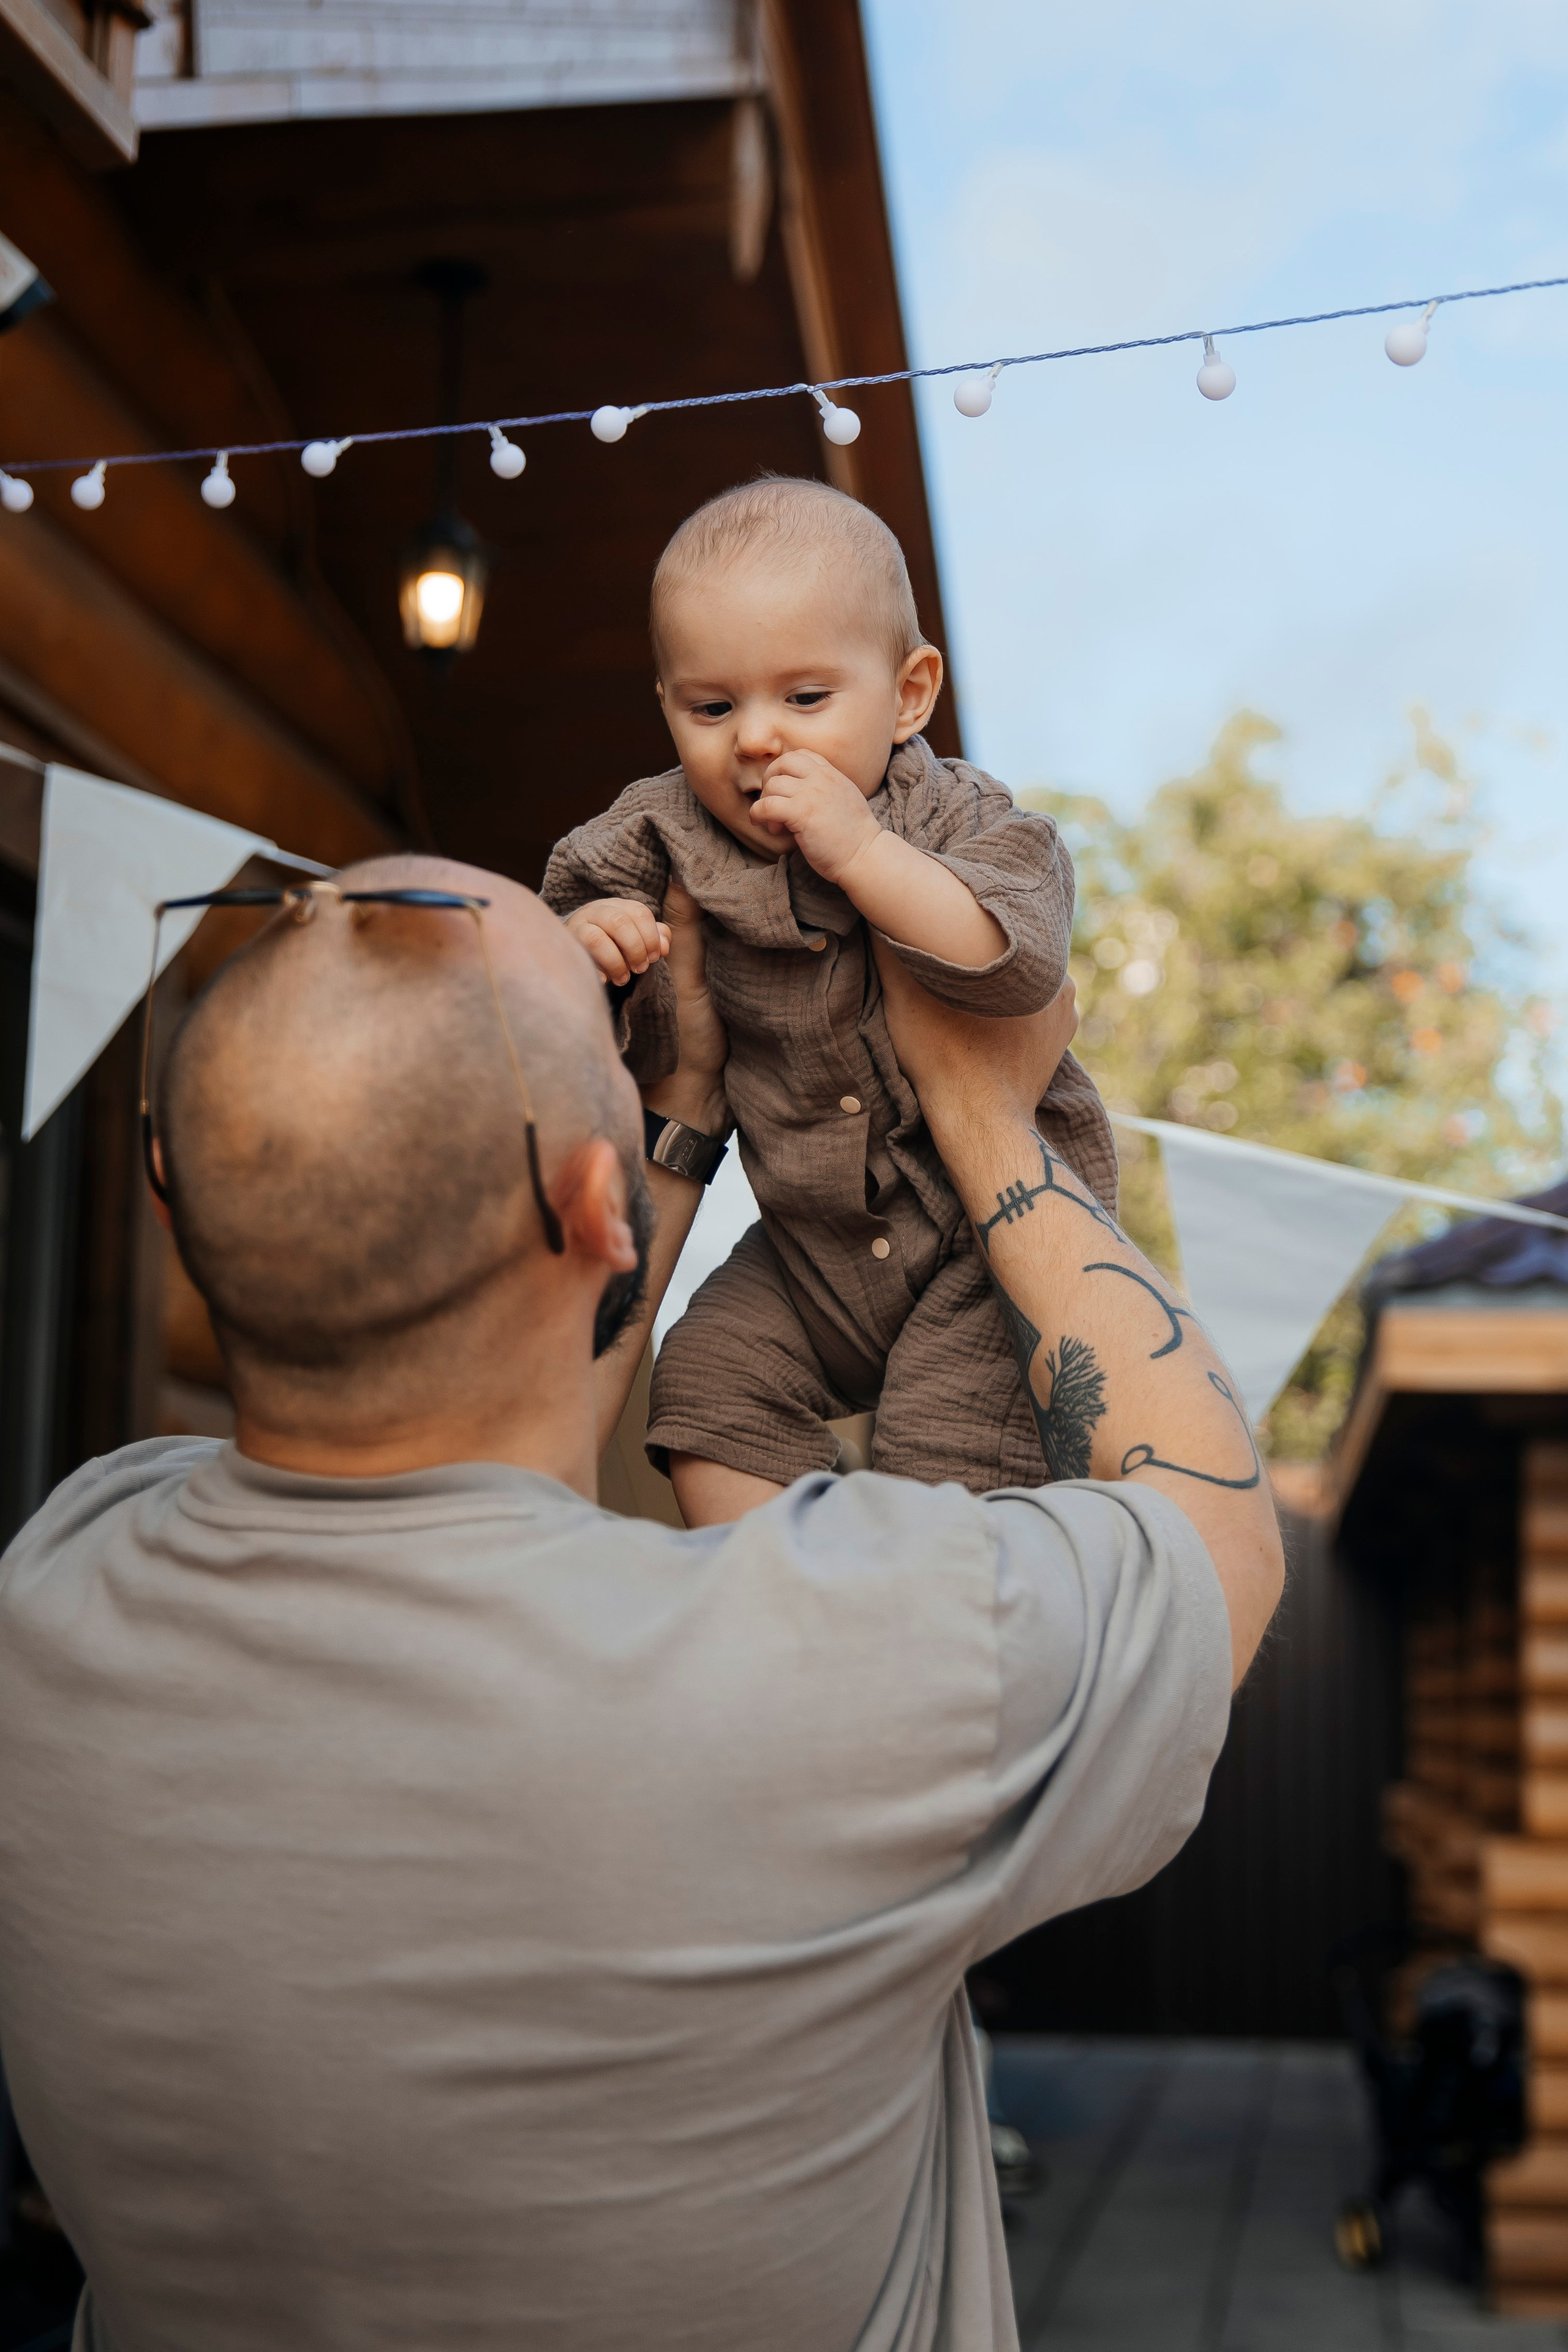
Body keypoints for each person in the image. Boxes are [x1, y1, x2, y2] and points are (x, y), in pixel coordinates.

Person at [0, 854, 1283, 2352]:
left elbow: (507, 1417)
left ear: (166, 1186)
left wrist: (655, 1133)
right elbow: (1215, 1541)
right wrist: (989, 1118)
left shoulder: (60, 1583)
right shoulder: (840, 1662)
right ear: (588, 1206)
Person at [541, 476, 1116, 1526]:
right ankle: (768, 1589)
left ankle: (914, 1625)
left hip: (982, 1236)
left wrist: (864, 851)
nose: (756, 739)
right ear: (667, 704)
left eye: (805, 699)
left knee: (937, 1446)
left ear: (908, 694)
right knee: (705, 1384)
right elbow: (566, 928)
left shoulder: (952, 811)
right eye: (712, 708)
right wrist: (592, 943)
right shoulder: (661, 828)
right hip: (808, 1244)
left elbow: (1018, 962)